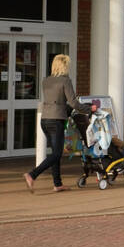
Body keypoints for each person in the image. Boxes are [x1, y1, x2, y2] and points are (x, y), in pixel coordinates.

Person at [24, 54, 90, 193]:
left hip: (45, 119)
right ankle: (32, 174)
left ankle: (57, 183)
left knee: (56, 152)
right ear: (65, 66)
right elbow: (73, 103)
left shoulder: (46, 81)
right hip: (56, 120)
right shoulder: (65, 81)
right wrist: (89, 109)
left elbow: (56, 99)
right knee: (56, 154)